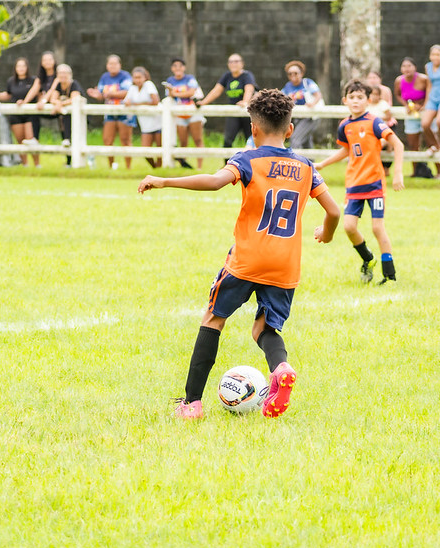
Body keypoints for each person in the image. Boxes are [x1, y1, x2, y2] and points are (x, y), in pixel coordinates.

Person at [138, 88, 340, 420]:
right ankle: (281, 367)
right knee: (264, 329)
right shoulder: (305, 166)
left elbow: (216, 181)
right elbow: (333, 211)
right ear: (290, 129)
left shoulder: (248, 158)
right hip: (285, 265)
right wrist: (326, 234)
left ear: (253, 128)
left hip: (248, 258)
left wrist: (164, 180)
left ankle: (191, 404)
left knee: (213, 319)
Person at [314, 79, 405, 286]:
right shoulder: (345, 125)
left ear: (368, 100)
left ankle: (389, 275)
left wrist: (397, 173)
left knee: (377, 228)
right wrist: (323, 164)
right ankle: (368, 259)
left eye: (360, 97)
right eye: (352, 97)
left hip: (374, 184)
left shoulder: (374, 121)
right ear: (345, 100)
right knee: (348, 227)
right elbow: (347, 149)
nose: (356, 101)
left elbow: (397, 144)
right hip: (354, 184)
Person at [197, 53, 257, 149]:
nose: (234, 64)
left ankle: (252, 163)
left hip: (247, 111)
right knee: (228, 140)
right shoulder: (227, 76)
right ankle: (228, 163)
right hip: (233, 111)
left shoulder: (247, 75)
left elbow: (249, 89)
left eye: (236, 61)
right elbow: (216, 90)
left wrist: (245, 102)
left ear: (242, 64)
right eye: (231, 62)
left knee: (251, 139)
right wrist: (203, 102)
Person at [86, 55, 135, 170]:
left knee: (125, 140)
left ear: (120, 65)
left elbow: (126, 92)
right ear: (107, 65)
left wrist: (109, 94)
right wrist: (96, 94)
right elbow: (102, 94)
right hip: (109, 112)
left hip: (124, 112)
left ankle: (128, 167)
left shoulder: (125, 76)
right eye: (110, 64)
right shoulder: (104, 77)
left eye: (115, 63)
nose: (113, 66)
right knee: (107, 139)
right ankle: (111, 166)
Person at [38, 63, 83, 167]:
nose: (63, 75)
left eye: (65, 73)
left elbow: (74, 99)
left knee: (75, 137)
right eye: (60, 73)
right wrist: (58, 104)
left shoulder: (74, 84)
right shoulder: (58, 85)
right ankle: (68, 161)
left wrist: (59, 104)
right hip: (64, 116)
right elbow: (53, 99)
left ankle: (76, 161)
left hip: (78, 118)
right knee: (65, 133)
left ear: (70, 74)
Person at [163, 58, 205, 169]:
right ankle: (184, 165)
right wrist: (179, 94)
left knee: (198, 139)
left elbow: (191, 92)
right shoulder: (170, 80)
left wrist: (176, 93)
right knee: (183, 140)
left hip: (192, 112)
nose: (178, 68)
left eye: (180, 66)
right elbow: (169, 95)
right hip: (179, 114)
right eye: (175, 66)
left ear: (184, 68)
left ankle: (200, 166)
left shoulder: (190, 78)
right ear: (172, 68)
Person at [0, 57, 40, 167]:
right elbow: (8, 95)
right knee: (20, 140)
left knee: (31, 139)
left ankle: (37, 164)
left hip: (29, 114)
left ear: (27, 68)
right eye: (19, 66)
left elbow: (37, 93)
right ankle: (24, 164)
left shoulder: (33, 80)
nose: (21, 68)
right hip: (16, 114)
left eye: (23, 66)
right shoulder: (11, 81)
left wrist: (25, 102)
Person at [394, 57, 431, 178]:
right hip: (411, 114)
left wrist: (423, 106)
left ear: (415, 67)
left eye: (409, 66)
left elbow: (430, 93)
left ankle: (439, 172)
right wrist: (407, 105)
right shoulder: (399, 81)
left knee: (431, 142)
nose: (407, 69)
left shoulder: (423, 79)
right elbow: (398, 94)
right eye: (404, 66)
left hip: (425, 112)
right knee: (413, 143)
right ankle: (415, 171)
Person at [124, 66, 162, 168]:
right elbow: (127, 102)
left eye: (139, 77)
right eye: (135, 77)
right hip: (145, 123)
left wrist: (136, 105)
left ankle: (160, 171)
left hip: (158, 121)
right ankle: (155, 169)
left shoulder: (149, 85)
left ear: (145, 77)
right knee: (145, 150)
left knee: (161, 148)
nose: (138, 80)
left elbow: (155, 101)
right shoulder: (132, 88)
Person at [281, 60, 323, 149]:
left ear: (301, 73)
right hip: (297, 117)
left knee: (296, 139)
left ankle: (295, 161)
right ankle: (310, 162)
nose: (293, 76)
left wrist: (312, 103)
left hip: (310, 116)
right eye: (290, 74)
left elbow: (318, 95)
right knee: (306, 140)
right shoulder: (288, 86)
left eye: (296, 73)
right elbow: (281, 98)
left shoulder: (307, 83)